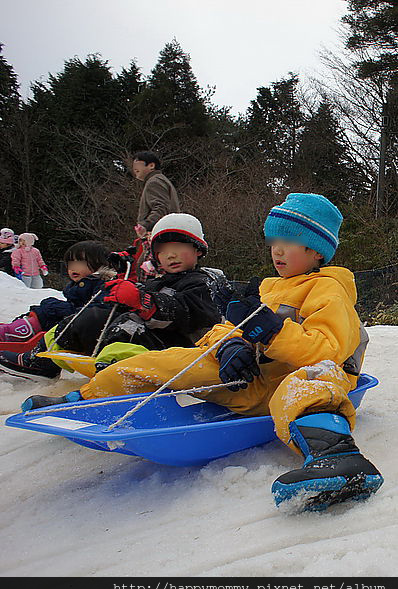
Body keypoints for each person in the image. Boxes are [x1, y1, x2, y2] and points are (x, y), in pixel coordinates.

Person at [20, 193, 383, 512]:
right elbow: (221, 328)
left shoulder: (329, 291)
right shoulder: (269, 289)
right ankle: (83, 401)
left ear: (316, 249)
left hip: (299, 382)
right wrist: (229, 347)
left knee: (312, 379)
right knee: (161, 361)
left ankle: (336, 457)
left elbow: (328, 350)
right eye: (274, 240)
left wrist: (272, 331)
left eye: (289, 241)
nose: (277, 250)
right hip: (252, 382)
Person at [1, 214, 223, 381]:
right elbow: (133, 300)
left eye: (178, 247)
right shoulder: (158, 282)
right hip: (149, 340)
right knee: (91, 315)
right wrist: (122, 289)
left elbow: (193, 313)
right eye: (163, 251)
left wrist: (144, 302)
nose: (171, 255)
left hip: (176, 349)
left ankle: (115, 378)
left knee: (128, 328)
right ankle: (42, 360)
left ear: (198, 250)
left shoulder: (203, 282)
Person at [0, 241, 113, 369]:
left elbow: (97, 311)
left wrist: (60, 309)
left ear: (99, 265)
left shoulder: (104, 285)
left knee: (51, 309)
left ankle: (14, 333)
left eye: (79, 263)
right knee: (48, 306)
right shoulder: (83, 283)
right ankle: (15, 329)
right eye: (70, 264)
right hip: (71, 320)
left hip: (80, 326)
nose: (72, 268)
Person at [129, 151, 180, 280]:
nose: (134, 168)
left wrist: (145, 225)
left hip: (157, 235)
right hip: (165, 234)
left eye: (137, 164)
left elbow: (160, 208)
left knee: (148, 271)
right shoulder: (159, 180)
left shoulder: (154, 181)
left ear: (151, 165)